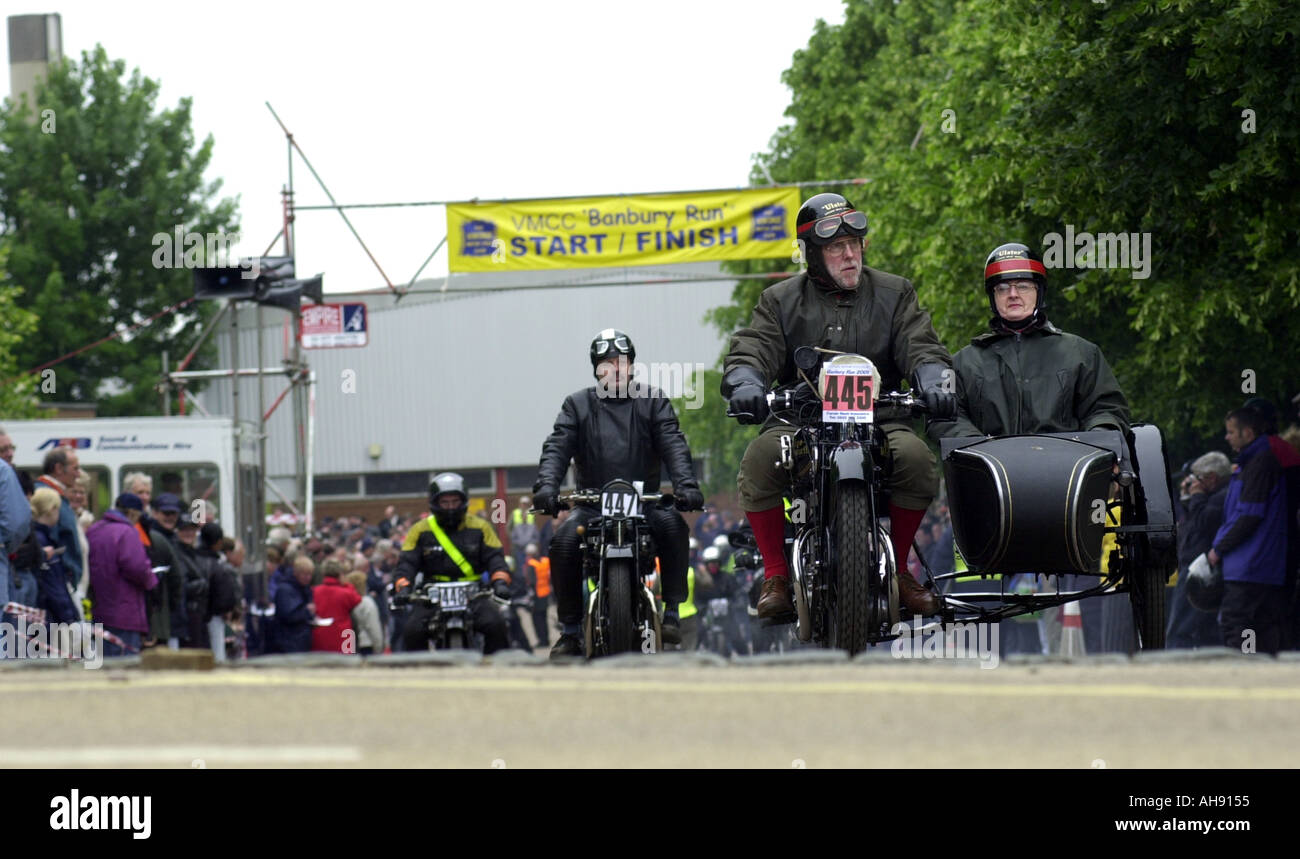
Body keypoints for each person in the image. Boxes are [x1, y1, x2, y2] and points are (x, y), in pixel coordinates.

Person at [722, 193, 956, 622]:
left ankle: (900, 570)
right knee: (759, 459)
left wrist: (933, 377)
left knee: (918, 460)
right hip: (802, 420)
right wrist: (745, 381)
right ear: (813, 254)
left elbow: (921, 344)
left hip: (880, 418)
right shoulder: (779, 300)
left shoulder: (896, 293)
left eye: (854, 244)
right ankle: (775, 575)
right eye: (835, 247)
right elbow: (753, 346)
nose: (850, 255)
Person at [533, 329, 705, 659]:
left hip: (645, 502)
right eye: (607, 363)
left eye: (621, 362)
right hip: (592, 505)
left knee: (674, 527)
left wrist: (686, 485)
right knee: (564, 542)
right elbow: (557, 447)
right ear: (596, 369)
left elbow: (673, 443)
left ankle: (671, 612)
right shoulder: (577, 404)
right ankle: (570, 631)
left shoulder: (653, 401)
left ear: (631, 365)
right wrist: (546, 488)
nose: (615, 368)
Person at [937, 243, 1131, 439]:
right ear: (992, 296)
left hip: (1066, 456)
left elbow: (1107, 409)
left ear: (1039, 292)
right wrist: (975, 446)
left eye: (1023, 286)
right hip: (985, 457)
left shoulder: (1082, 353)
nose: (1013, 294)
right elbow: (944, 417)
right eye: (1003, 288)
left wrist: (1097, 437)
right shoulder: (960, 363)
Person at [394, 473, 512, 654]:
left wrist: (500, 582)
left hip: (474, 594)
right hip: (432, 595)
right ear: (435, 503)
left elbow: (495, 558)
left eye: (455, 502)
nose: (450, 507)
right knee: (412, 632)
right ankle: (419, 669)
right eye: (445, 502)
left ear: (464, 501)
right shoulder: (419, 530)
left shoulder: (482, 527)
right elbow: (406, 563)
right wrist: (403, 587)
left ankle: (494, 667)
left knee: (497, 626)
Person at [1208, 408, 1289, 654]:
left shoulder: (1258, 463)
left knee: (1237, 624)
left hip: (1250, 564)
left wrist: (1219, 548)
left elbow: (1249, 515)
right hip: (1257, 564)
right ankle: (1261, 671)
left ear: (1249, 433)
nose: (1227, 437)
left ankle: (1242, 671)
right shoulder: (1252, 462)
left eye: (1231, 432)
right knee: (1261, 627)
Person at [1166, 452, 1230, 647]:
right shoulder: (1211, 496)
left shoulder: (1220, 497)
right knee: (1201, 630)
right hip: (1197, 566)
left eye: (1198, 478)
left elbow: (1204, 522)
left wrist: (1196, 496)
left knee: (1180, 630)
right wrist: (1190, 497)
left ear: (1212, 478)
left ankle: (1176, 664)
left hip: (1201, 569)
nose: (1192, 483)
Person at [85, 494, 158, 657]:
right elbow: (137, 568)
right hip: (124, 612)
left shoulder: (94, 529)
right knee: (125, 663)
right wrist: (152, 581)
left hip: (98, 610)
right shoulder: (127, 532)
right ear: (132, 513)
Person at [312, 558, 361, 653]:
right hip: (344, 636)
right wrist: (347, 584)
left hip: (320, 634)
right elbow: (357, 599)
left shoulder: (314, 591)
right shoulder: (346, 593)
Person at [274, 556, 317, 654]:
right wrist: (307, 611)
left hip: (301, 640)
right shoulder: (285, 590)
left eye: (310, 574)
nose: (308, 578)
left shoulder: (304, 588)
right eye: (305, 574)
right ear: (296, 573)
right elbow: (288, 615)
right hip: (289, 641)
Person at [345, 570, 383, 656]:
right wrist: (379, 647)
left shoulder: (347, 602)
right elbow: (373, 627)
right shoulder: (366, 603)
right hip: (367, 644)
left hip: (351, 644)